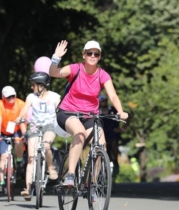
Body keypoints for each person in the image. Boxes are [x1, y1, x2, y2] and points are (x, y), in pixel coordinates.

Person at [49, 40, 129, 190]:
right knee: (79, 133)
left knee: (102, 144)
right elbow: (54, 73)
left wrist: (120, 111)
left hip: (89, 116)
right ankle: (71, 175)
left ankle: (93, 183)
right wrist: (56, 58)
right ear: (84, 55)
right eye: (89, 53)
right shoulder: (75, 69)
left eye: (96, 54)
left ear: (99, 57)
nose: (92, 56)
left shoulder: (102, 75)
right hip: (67, 112)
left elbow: (113, 96)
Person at [14, 72, 60, 201]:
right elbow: (25, 110)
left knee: (46, 145)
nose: (31, 87)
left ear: (42, 85)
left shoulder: (55, 97)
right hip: (34, 127)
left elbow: (60, 110)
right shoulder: (31, 97)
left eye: (33, 85)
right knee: (31, 158)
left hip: (50, 126)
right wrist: (20, 118)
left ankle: (51, 168)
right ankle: (28, 189)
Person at [0, 86, 26, 192]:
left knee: (18, 141)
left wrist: (24, 134)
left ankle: (19, 160)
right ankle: (2, 182)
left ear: (15, 95)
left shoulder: (21, 104)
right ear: (3, 97)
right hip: (3, 131)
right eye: (8, 97)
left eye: (13, 96)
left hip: (17, 129)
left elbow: (22, 121)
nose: (11, 99)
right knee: (3, 157)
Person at [99, 94, 130, 178]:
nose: (104, 102)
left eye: (105, 100)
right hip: (102, 134)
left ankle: (116, 162)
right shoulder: (97, 111)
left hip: (113, 134)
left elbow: (128, 116)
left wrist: (122, 129)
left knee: (113, 144)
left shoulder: (113, 110)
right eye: (102, 101)